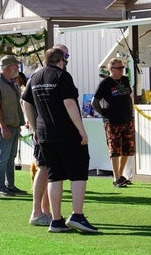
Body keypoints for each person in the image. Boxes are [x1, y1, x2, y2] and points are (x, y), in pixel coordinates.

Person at [22, 46, 98, 233]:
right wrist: (81, 130)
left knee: (54, 176)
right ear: (61, 61)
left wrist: (34, 128)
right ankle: (77, 215)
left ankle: (56, 220)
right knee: (78, 173)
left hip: (45, 134)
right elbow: (69, 103)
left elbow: (26, 102)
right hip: (66, 133)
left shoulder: (35, 77)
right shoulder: (63, 76)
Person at [92, 58, 135, 188]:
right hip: (113, 121)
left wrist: (131, 113)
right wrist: (104, 113)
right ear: (111, 70)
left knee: (127, 149)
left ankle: (121, 175)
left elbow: (129, 97)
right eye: (119, 68)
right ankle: (116, 178)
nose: (122, 70)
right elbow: (95, 101)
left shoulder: (125, 80)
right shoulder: (105, 83)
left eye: (123, 68)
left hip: (127, 119)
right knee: (115, 149)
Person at [0, 55, 27, 197]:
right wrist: (3, 127)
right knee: (3, 157)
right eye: (16, 66)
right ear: (9, 67)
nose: (18, 68)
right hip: (5, 125)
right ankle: (0, 188)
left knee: (11, 157)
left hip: (14, 124)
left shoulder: (12, 82)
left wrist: (18, 123)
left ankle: (10, 186)